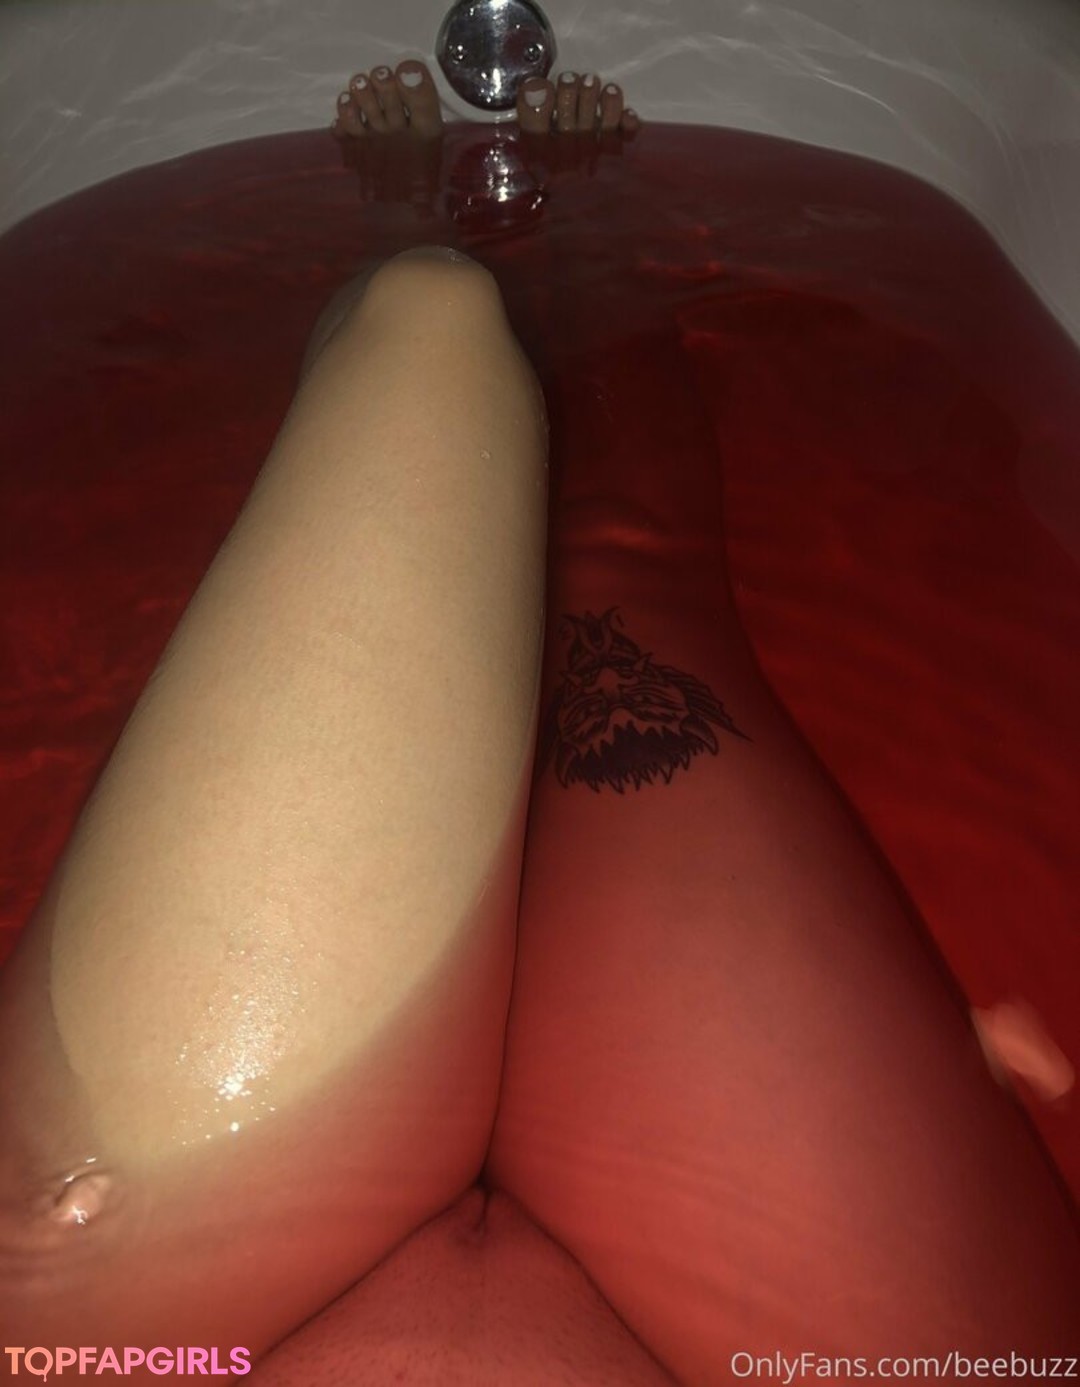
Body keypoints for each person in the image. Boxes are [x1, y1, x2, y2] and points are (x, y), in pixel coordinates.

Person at [0, 62, 1076, 1386]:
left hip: (110, 1350)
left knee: (426, 333)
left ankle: (437, 224)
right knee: (621, 601)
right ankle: (574, 228)